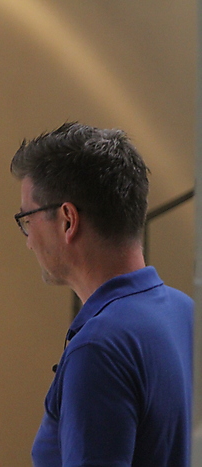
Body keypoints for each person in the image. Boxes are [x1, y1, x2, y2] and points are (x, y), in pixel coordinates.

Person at [10, 122, 193, 466]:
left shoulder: (99, 347)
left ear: (68, 220)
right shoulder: (185, 311)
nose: (29, 240)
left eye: (27, 219)